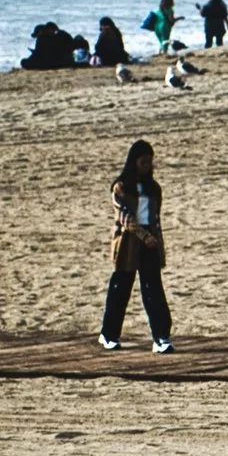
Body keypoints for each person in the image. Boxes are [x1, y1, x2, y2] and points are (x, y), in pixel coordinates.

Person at [100, 140, 173, 352]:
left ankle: (161, 337)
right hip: (127, 244)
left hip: (149, 241)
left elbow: (156, 219)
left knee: (153, 290)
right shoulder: (121, 187)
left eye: (149, 162)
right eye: (142, 162)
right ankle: (109, 334)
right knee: (120, 289)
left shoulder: (153, 189)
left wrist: (157, 245)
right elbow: (125, 218)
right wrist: (144, 235)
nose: (146, 166)